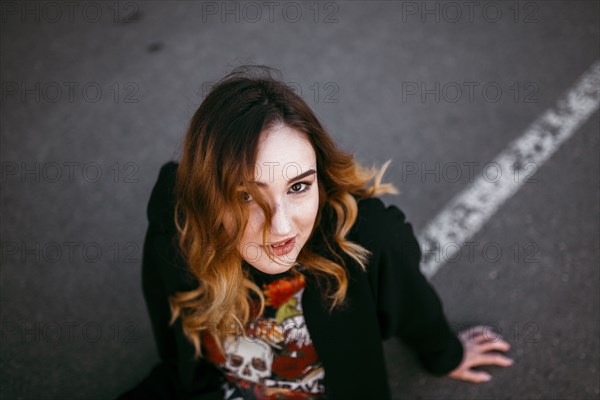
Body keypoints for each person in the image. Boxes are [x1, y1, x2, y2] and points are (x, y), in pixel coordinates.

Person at [118, 65, 513, 400]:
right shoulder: (177, 217)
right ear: (205, 197)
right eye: (245, 196)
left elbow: (410, 303)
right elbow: (166, 306)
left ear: (320, 176)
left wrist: (446, 353)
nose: (283, 227)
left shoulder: (369, 239)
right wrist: (178, 374)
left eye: (298, 186)